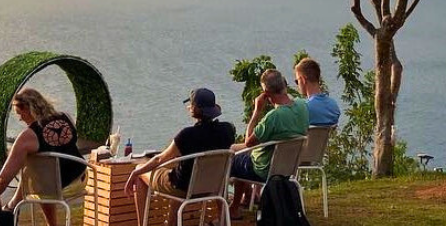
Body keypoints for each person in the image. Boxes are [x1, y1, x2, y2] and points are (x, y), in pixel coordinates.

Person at [125, 88, 236, 222]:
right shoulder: (228, 130)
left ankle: (141, 224)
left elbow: (160, 158)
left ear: (194, 109)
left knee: (139, 172)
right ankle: (172, 222)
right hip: (211, 187)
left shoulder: (187, 135)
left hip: (184, 189)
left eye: (191, 105)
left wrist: (135, 173)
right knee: (180, 171)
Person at [0, 88, 83, 225]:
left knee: (33, 164)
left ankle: (12, 207)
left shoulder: (28, 137)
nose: (20, 118)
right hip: (81, 179)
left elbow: (2, 179)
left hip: (55, 189)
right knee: (38, 164)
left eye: (19, 113)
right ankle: (13, 206)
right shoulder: (66, 117)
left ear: (27, 109)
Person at [229, 68, 309, 215]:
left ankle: (233, 208)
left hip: (265, 169)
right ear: (284, 85)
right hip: (289, 167)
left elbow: (248, 142)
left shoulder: (274, 117)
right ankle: (247, 199)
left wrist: (256, 111)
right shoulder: (302, 105)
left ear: (266, 92)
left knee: (233, 159)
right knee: (239, 155)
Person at [294, 57, 341, 126]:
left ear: (303, 80)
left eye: (297, 81)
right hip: (328, 137)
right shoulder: (334, 106)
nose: (297, 85)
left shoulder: (304, 109)